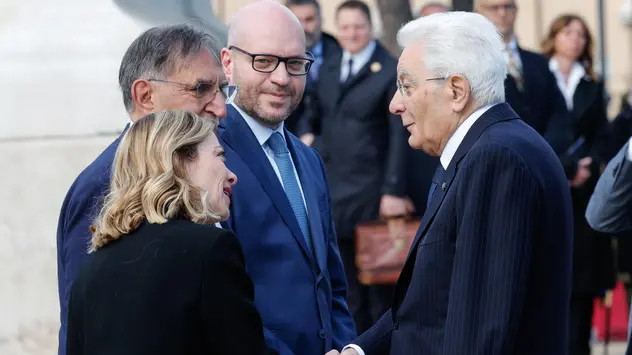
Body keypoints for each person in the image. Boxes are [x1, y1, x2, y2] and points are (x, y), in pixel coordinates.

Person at [329, 11, 574, 355]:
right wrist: (358, 351)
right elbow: (429, 300)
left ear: (456, 90)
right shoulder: (485, 149)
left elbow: (479, 331)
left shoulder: (495, 158)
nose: (395, 103)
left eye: (406, 86)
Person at [56, 24, 230, 355]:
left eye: (222, 89)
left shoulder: (194, 171)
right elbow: (90, 324)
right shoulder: (108, 182)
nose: (220, 108)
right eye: (201, 89)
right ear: (145, 96)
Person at [65, 110, 274, 355]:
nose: (232, 176)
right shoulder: (210, 250)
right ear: (180, 160)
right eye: (220, 156)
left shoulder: (91, 269)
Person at [218, 1, 356, 355]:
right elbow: (223, 299)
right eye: (263, 61)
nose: (281, 78)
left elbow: (331, 285)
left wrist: (345, 346)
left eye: (295, 64)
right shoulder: (209, 159)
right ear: (228, 64)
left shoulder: (308, 160)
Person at [303, 0, 410, 333]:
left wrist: (393, 189)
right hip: (334, 191)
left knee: (379, 288)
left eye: (359, 26)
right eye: (345, 27)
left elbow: (398, 134)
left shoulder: (389, 68)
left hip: (371, 192)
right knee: (345, 285)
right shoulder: (330, 66)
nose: (352, 33)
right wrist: (308, 136)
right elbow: (315, 111)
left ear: (371, 27)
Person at [541, 14, 615, 355]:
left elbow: (601, 134)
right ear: (554, 36)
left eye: (581, 35)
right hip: (546, 180)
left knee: (582, 275)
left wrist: (586, 165)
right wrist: (559, 165)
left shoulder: (592, 84)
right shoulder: (538, 76)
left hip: (583, 189)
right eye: (568, 33)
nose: (575, 40)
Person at [475, 0, 568, 136]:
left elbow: (558, 111)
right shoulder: (473, 64)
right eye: (494, 8)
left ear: (516, 10)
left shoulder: (538, 62)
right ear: (479, 13)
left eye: (508, 6)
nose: (502, 13)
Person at [284, 0, 341, 140]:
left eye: (309, 19)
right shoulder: (275, 57)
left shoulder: (340, 53)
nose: (303, 27)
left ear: (321, 20)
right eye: (297, 20)